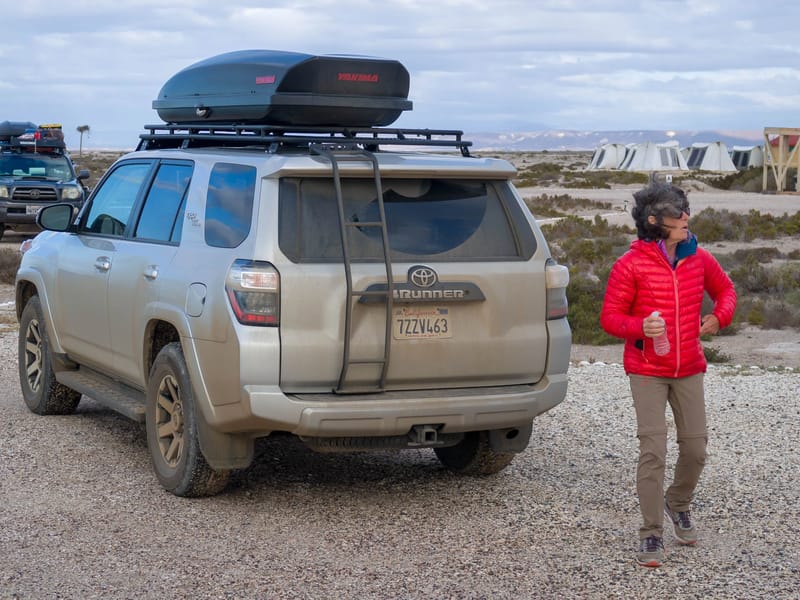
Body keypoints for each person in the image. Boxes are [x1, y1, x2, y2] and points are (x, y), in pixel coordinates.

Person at [600, 181, 737, 568]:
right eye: (677, 216)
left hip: (689, 366)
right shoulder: (630, 265)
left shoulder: (699, 258)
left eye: (686, 212)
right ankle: (650, 534)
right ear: (654, 221)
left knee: (695, 449)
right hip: (646, 369)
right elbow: (610, 319)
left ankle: (677, 503)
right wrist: (642, 326)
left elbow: (726, 290)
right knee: (653, 451)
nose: (686, 220)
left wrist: (719, 316)